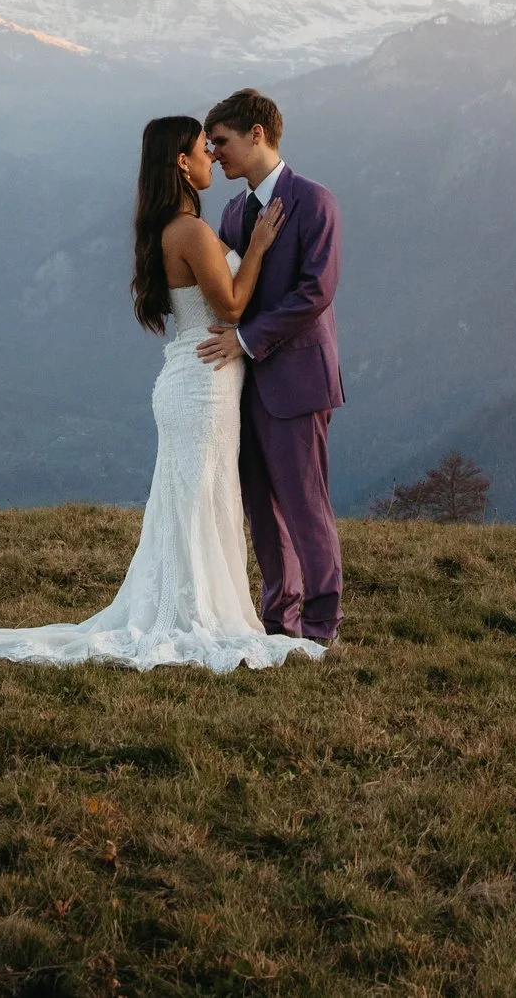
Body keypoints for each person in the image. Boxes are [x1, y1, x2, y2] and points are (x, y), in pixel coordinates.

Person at [0, 110, 328, 670]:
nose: (212, 156)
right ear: (182, 164)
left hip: (195, 379)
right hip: (202, 386)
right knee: (196, 503)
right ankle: (195, 614)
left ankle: (197, 605)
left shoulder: (178, 227)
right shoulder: (189, 231)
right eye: (202, 149)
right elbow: (232, 305)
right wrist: (259, 246)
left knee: (196, 502)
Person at [196, 89, 345, 644]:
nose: (214, 154)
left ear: (257, 134)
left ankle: (321, 625)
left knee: (307, 506)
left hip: (298, 381)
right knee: (261, 510)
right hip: (244, 387)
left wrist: (247, 340)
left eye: (222, 141)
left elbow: (316, 292)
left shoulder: (315, 202)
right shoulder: (235, 213)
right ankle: (278, 622)